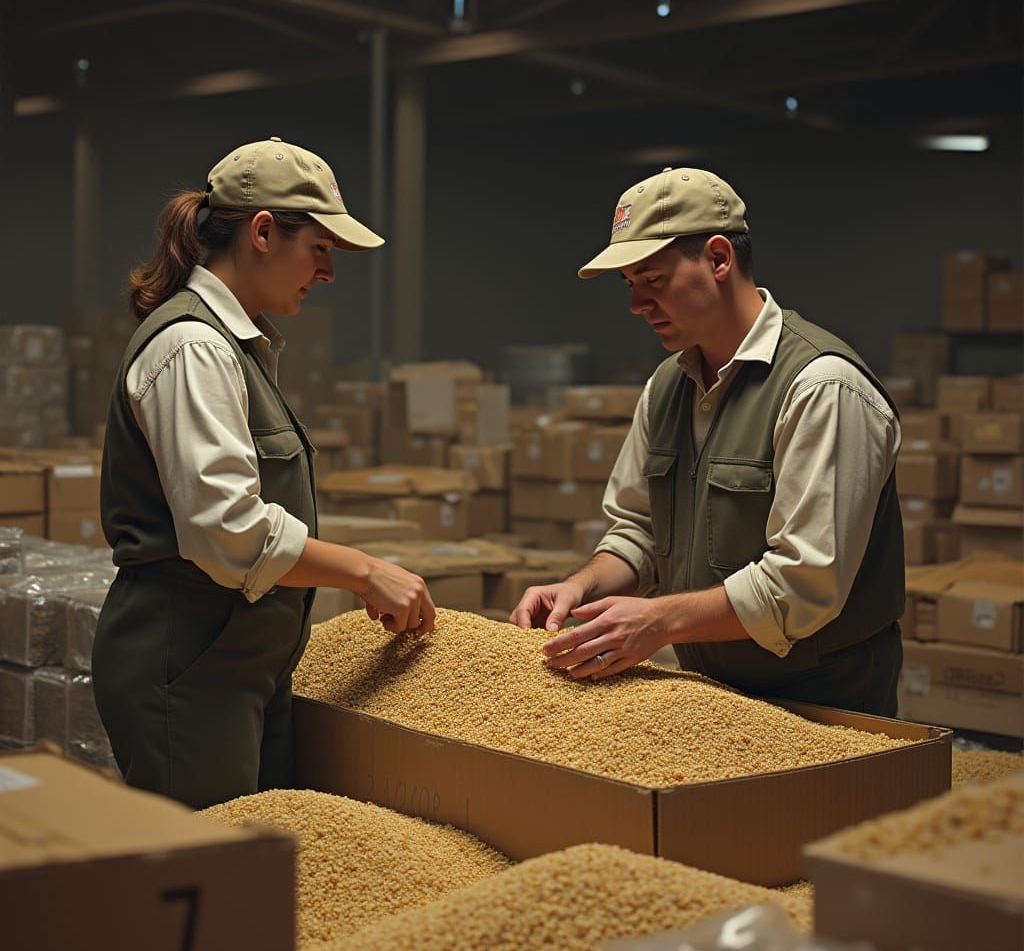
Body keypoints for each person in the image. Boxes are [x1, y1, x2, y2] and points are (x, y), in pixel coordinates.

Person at [93, 136, 436, 810]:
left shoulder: (237, 346)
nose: (328, 272)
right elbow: (226, 531)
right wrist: (365, 571)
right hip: (187, 668)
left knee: (258, 870)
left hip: (239, 664)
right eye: (320, 250)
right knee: (210, 881)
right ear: (261, 232)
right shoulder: (192, 346)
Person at [511, 167, 904, 716]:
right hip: (712, 700)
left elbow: (804, 585)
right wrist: (581, 588)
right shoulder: (668, 386)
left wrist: (658, 620)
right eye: (630, 286)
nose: (636, 305)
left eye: (652, 279)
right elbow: (641, 531)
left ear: (719, 259)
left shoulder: (821, 387)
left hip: (825, 706)